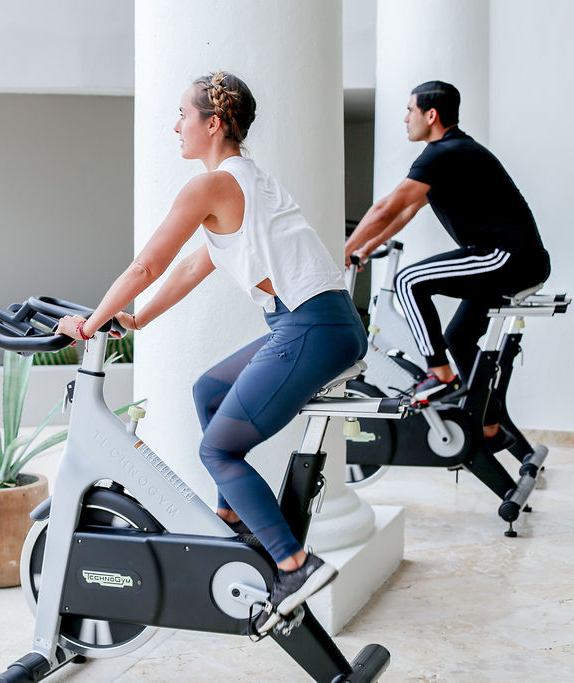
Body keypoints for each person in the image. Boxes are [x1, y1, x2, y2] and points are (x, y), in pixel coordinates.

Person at [55, 72, 367, 634]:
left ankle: (296, 566)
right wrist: (137, 319)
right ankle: (234, 524)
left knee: (218, 451)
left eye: (183, 115)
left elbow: (144, 265)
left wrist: (92, 322)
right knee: (209, 389)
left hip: (312, 326)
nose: (176, 126)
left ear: (213, 123)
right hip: (315, 321)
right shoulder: (239, 182)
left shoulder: (213, 185)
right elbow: (191, 266)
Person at [343, 81, 550, 449]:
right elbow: (407, 209)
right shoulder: (452, 154)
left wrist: (344, 250)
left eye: (410, 110)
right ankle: (488, 423)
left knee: (410, 281)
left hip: (507, 256)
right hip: (508, 258)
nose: (405, 118)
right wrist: (365, 249)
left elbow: (386, 207)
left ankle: (440, 375)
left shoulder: (444, 153)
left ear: (431, 115)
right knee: (458, 336)